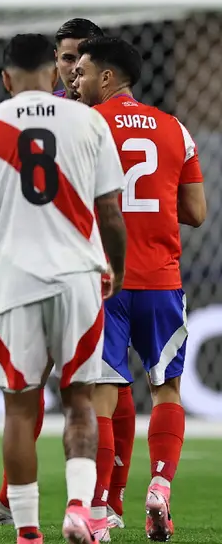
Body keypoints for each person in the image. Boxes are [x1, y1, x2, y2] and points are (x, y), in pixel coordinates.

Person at [0, 17, 136, 532]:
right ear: (56, 73)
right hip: (79, 275)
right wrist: (114, 269)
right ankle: (82, 508)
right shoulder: (90, 123)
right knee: (79, 400)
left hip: (15, 280)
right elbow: (111, 213)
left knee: (19, 407)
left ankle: (28, 530)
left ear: (7, 79)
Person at [73, 36, 207, 542]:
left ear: (108, 78)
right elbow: (195, 211)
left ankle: (102, 512)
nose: (75, 80)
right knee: (166, 388)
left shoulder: (86, 126)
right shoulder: (176, 129)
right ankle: (159, 486)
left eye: (82, 72)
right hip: (161, 280)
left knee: (102, 397)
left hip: (105, 280)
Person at [54, 18, 105, 99]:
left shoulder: (121, 110)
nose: (75, 69)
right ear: (56, 59)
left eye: (85, 59)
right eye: (69, 58)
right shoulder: (43, 108)